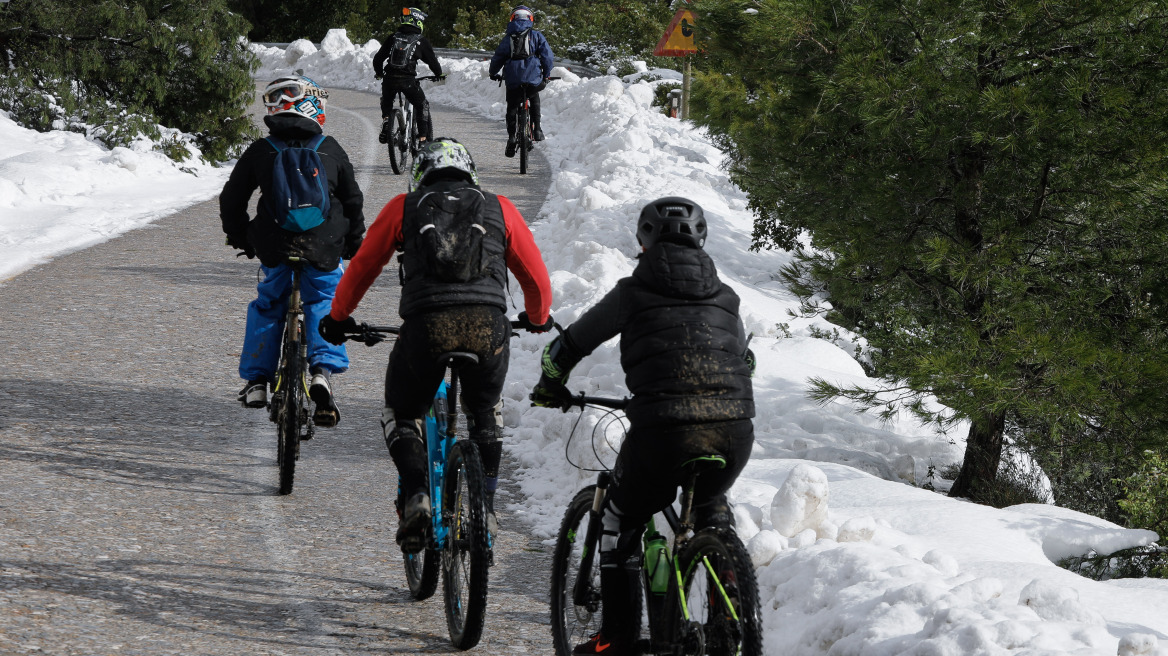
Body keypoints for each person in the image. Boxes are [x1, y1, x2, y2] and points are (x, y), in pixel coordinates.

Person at [531, 197, 756, 656]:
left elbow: (567, 347)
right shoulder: (727, 297)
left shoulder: (631, 292)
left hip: (663, 431)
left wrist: (550, 386)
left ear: (643, 241)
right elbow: (746, 361)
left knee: (619, 517)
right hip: (734, 429)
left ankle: (616, 639)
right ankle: (727, 604)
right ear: (702, 241)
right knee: (711, 507)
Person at [318, 138, 553, 552]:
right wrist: (537, 318)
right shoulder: (500, 207)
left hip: (426, 328)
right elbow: (535, 278)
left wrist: (338, 318)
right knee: (485, 412)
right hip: (487, 327)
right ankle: (486, 510)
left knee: (402, 412)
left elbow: (363, 267)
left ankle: (417, 494)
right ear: (470, 172)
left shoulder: (403, 207)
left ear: (419, 175)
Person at [220, 74, 366, 428]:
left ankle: (258, 381)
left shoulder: (262, 149)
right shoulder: (330, 148)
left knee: (269, 304)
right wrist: (353, 242)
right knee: (324, 302)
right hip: (324, 244)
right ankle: (321, 372)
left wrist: (241, 237)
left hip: (275, 243)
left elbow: (232, 198)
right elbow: (352, 201)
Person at [488, 5, 554, 158]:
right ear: (530, 19)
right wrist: (546, 74)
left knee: (512, 106)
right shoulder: (536, 36)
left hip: (513, 80)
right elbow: (548, 57)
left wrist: (493, 73)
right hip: (533, 79)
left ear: (513, 19)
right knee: (534, 97)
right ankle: (537, 129)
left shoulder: (508, 38)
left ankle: (512, 137)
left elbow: (498, 58)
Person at [372, 7, 443, 145]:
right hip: (408, 81)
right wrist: (438, 74)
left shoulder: (393, 37)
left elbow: (378, 59)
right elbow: (432, 62)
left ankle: (387, 121)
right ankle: (422, 139)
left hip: (389, 79)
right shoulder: (421, 40)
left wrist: (379, 73)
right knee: (422, 105)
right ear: (419, 22)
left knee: (387, 100)